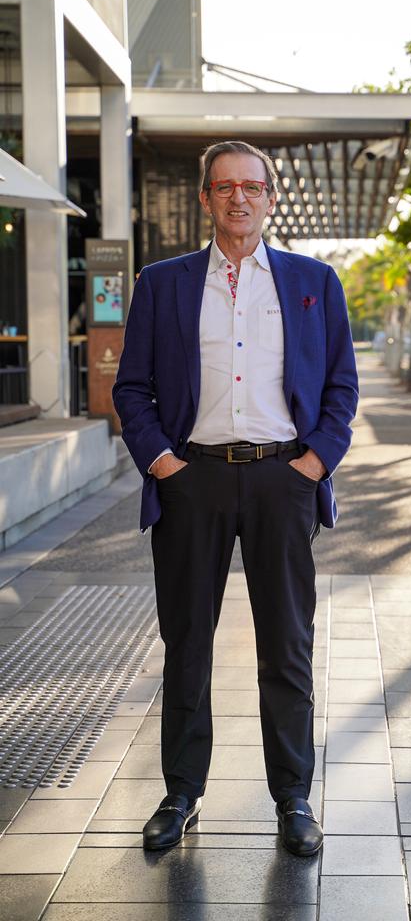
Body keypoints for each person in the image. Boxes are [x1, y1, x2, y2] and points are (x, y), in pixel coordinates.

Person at [113, 140, 358, 856]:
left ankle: (293, 800)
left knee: (288, 646)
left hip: (285, 479)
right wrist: (161, 462)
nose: (239, 198)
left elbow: (341, 384)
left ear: (270, 198)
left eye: (252, 187)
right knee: (187, 641)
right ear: (205, 199)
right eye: (225, 187)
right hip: (193, 480)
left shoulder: (314, 281)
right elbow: (132, 387)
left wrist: (315, 463)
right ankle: (181, 794)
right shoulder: (163, 283)